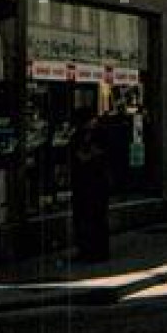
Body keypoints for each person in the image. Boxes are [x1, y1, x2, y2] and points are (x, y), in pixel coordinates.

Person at [69, 107, 110, 260]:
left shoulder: (101, 133)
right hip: (82, 182)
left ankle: (99, 251)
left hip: (98, 182)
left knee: (97, 217)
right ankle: (84, 249)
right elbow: (76, 154)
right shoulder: (78, 135)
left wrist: (87, 155)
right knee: (81, 217)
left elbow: (99, 153)